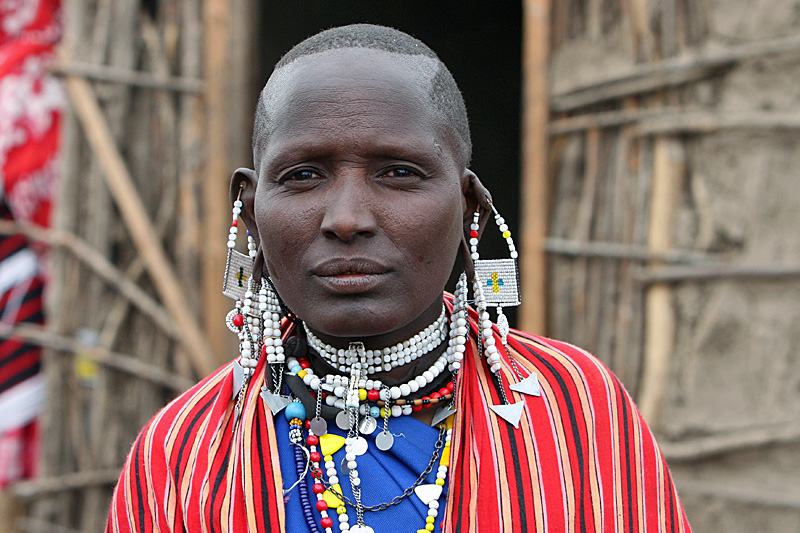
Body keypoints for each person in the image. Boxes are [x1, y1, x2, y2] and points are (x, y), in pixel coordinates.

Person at [107, 24, 690, 532]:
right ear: (253, 209)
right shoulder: (183, 453)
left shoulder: (577, 410)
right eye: (304, 174)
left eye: (399, 172)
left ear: (467, 208)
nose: (347, 219)